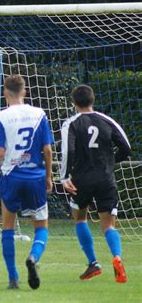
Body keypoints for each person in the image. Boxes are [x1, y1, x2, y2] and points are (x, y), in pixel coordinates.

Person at [0, 74, 54, 290]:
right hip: (35, 176)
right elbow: (48, 149)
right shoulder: (39, 114)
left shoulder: (1, 117)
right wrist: (49, 176)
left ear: (5, 93)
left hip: (11, 176)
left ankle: (13, 278)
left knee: (7, 227)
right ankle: (33, 257)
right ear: (24, 91)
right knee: (41, 226)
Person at [59, 85, 131, 283]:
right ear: (93, 100)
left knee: (80, 218)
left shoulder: (71, 124)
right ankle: (117, 257)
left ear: (74, 103)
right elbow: (126, 146)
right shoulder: (106, 120)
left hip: (81, 179)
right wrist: (110, 163)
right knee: (108, 225)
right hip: (105, 178)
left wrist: (65, 177)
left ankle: (93, 262)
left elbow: (68, 151)